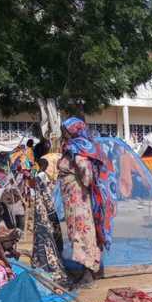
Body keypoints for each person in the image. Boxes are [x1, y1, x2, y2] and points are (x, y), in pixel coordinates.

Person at [58, 117, 117, 288]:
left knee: (81, 232)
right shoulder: (87, 145)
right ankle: (90, 270)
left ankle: (88, 276)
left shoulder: (77, 146)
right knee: (85, 231)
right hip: (78, 196)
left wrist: (82, 184)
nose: (63, 133)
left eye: (65, 129)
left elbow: (85, 169)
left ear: (73, 129)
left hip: (78, 198)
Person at [31, 158, 70, 287]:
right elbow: (45, 192)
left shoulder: (37, 176)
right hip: (45, 211)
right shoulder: (41, 176)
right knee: (50, 236)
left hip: (42, 211)